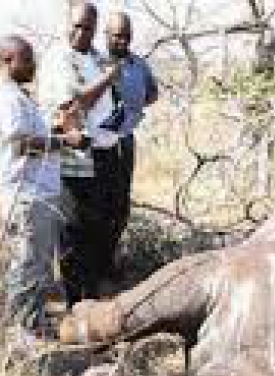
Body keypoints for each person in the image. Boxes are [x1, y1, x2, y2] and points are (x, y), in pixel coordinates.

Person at [0, 35, 86, 348]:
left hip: (39, 193)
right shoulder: (6, 99)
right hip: (24, 196)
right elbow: (22, 144)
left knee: (39, 264)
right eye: (26, 60)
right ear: (7, 61)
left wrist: (60, 128)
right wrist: (65, 142)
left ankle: (34, 323)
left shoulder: (20, 96)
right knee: (27, 264)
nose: (32, 66)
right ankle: (21, 332)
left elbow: (35, 136)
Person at [37, 1, 124, 306]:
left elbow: (111, 103)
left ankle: (92, 293)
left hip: (104, 154)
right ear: (67, 24)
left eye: (88, 27)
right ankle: (75, 301)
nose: (81, 32)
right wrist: (108, 79)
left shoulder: (98, 57)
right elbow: (72, 105)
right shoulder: (59, 58)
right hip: (74, 159)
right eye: (76, 25)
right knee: (73, 229)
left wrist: (114, 128)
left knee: (100, 225)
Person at [104, 11, 159, 273]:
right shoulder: (95, 61)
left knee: (120, 205)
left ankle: (110, 260)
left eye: (127, 36)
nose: (122, 42)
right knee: (96, 207)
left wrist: (132, 111)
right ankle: (93, 268)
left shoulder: (139, 64)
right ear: (106, 35)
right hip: (96, 145)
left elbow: (152, 94)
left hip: (125, 140)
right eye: (117, 36)